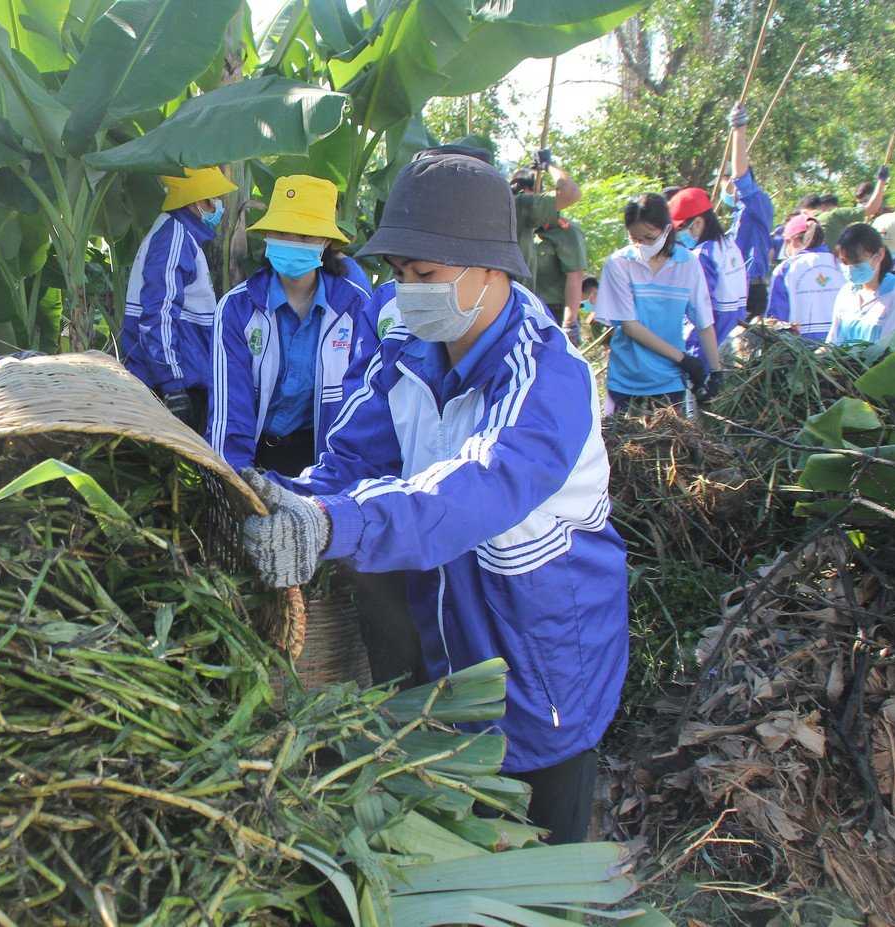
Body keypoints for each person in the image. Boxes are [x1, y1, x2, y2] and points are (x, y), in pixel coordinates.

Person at [238, 152, 627, 845]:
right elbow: (351, 458)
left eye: (425, 277)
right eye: (398, 274)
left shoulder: (548, 377)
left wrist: (332, 525)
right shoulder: (408, 344)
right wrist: (276, 500)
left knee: (541, 869)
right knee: (457, 847)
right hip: (449, 640)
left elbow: (473, 491)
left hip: (543, 664)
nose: (407, 291)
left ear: (490, 268)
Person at [207, 175, 371, 477]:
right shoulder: (237, 308)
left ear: (325, 243)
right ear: (268, 234)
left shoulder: (355, 307)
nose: (292, 242)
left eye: (306, 235)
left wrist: (346, 478)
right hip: (257, 454)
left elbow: (362, 402)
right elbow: (230, 408)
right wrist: (234, 482)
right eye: (282, 232)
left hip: (327, 459)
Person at [122, 166, 238, 433]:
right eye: (214, 199)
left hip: (178, 377)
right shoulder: (174, 236)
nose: (218, 206)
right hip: (171, 382)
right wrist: (172, 385)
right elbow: (158, 313)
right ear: (199, 200)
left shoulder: (178, 234)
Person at [596, 193, 723, 412]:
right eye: (635, 238)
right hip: (627, 381)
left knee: (670, 444)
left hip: (669, 381)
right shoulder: (619, 264)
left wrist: (716, 371)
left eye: (650, 238)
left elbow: (703, 321)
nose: (642, 244)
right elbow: (631, 326)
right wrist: (683, 359)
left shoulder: (688, 263)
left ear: (667, 229)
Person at [669, 186, 748, 353]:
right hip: (734, 347)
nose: (677, 236)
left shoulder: (701, 256)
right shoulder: (731, 247)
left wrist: (686, 352)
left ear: (698, 223)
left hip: (707, 351)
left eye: (679, 229)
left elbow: (701, 313)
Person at [720, 104, 776, 322]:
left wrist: (739, 131)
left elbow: (740, 176)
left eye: (727, 181)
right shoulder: (738, 211)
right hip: (736, 285)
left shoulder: (758, 202)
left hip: (752, 288)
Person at [521, 197, 589, 346]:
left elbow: (575, 276)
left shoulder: (565, 230)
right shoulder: (515, 226)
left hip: (551, 311)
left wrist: (570, 322)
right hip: (518, 308)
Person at [508, 153, 583, 286]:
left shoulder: (496, 207)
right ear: (526, 192)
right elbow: (571, 192)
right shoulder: (521, 206)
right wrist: (547, 165)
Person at [767, 213, 843, 340]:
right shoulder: (842, 263)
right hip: (843, 348)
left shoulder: (786, 269)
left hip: (799, 351)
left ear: (793, 241)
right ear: (822, 240)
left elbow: (776, 318)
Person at [826, 223, 895, 344]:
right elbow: (832, 343)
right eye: (844, 262)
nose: (850, 268)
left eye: (857, 261)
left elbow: (887, 350)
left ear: (880, 255)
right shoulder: (846, 292)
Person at [815, 168, 888, 251]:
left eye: (865, 202)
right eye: (859, 202)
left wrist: (881, 181)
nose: (861, 205)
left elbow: (872, 208)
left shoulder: (887, 215)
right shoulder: (848, 219)